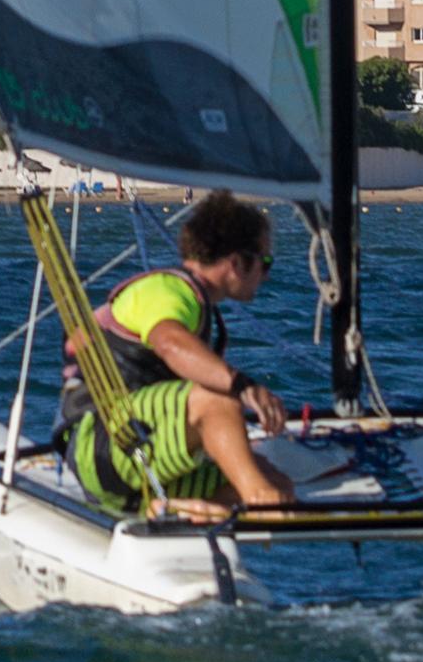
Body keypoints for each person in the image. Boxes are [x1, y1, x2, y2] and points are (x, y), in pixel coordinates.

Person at [65, 190, 299, 515]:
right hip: (105, 448)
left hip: (141, 458)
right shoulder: (168, 290)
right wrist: (243, 387)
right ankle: (261, 501)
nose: (267, 274)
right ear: (235, 262)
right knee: (218, 399)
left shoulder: (195, 302)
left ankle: (183, 513)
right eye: (265, 262)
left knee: (279, 482)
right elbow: (170, 344)